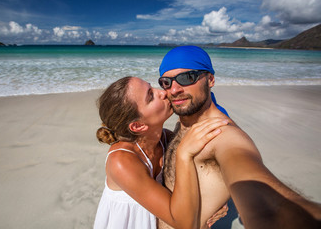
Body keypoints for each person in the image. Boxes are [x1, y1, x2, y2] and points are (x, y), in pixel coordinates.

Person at [157, 45, 321, 229]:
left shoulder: (223, 136)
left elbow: (266, 202)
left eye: (186, 78)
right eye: (166, 82)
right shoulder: (186, 123)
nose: (174, 90)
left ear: (210, 79)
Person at [93, 76, 230, 229]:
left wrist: (216, 202)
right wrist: (184, 153)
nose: (163, 93)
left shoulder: (165, 138)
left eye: (152, 87)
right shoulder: (121, 161)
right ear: (138, 126)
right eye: (150, 96)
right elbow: (182, 223)